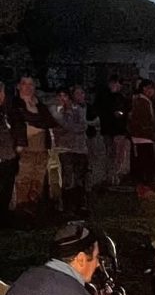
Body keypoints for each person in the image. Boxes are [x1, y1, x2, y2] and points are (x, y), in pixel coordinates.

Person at [8, 74, 58, 219]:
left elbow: (49, 122)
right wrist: (31, 128)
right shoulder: (15, 105)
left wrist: (34, 125)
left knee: (38, 181)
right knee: (24, 180)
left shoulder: (40, 106)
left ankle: (33, 210)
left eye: (31, 84)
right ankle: (21, 212)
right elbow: (18, 125)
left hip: (41, 149)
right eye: (25, 84)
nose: (28, 87)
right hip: (25, 149)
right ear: (19, 86)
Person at [53, 85, 90, 215]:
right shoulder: (56, 111)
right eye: (60, 96)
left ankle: (80, 205)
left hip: (80, 148)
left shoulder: (77, 109)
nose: (63, 99)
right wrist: (71, 127)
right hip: (65, 148)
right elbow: (60, 126)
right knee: (68, 178)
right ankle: (68, 206)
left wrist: (70, 127)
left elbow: (83, 126)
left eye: (65, 96)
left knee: (80, 178)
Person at [97, 75, 130, 186]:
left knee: (115, 155)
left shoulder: (117, 97)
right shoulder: (106, 97)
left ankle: (113, 176)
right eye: (116, 83)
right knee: (112, 154)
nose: (117, 86)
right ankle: (111, 176)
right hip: (112, 130)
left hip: (115, 130)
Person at [128, 79, 155, 192]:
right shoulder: (142, 102)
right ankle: (144, 185)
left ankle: (144, 184)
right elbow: (143, 120)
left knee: (145, 162)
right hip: (143, 137)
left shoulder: (143, 101)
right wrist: (150, 130)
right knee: (146, 162)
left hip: (143, 136)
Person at [0, 82, 20, 224]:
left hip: (8, 156)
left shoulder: (5, 111)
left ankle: (4, 215)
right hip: (2, 156)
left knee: (6, 187)